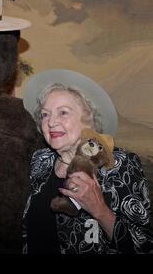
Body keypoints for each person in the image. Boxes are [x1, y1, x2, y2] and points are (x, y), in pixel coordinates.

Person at [22, 69, 153, 254]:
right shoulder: (39, 161)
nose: (51, 122)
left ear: (88, 120)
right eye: (45, 114)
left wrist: (99, 210)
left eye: (63, 113)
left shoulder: (119, 164)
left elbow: (143, 246)